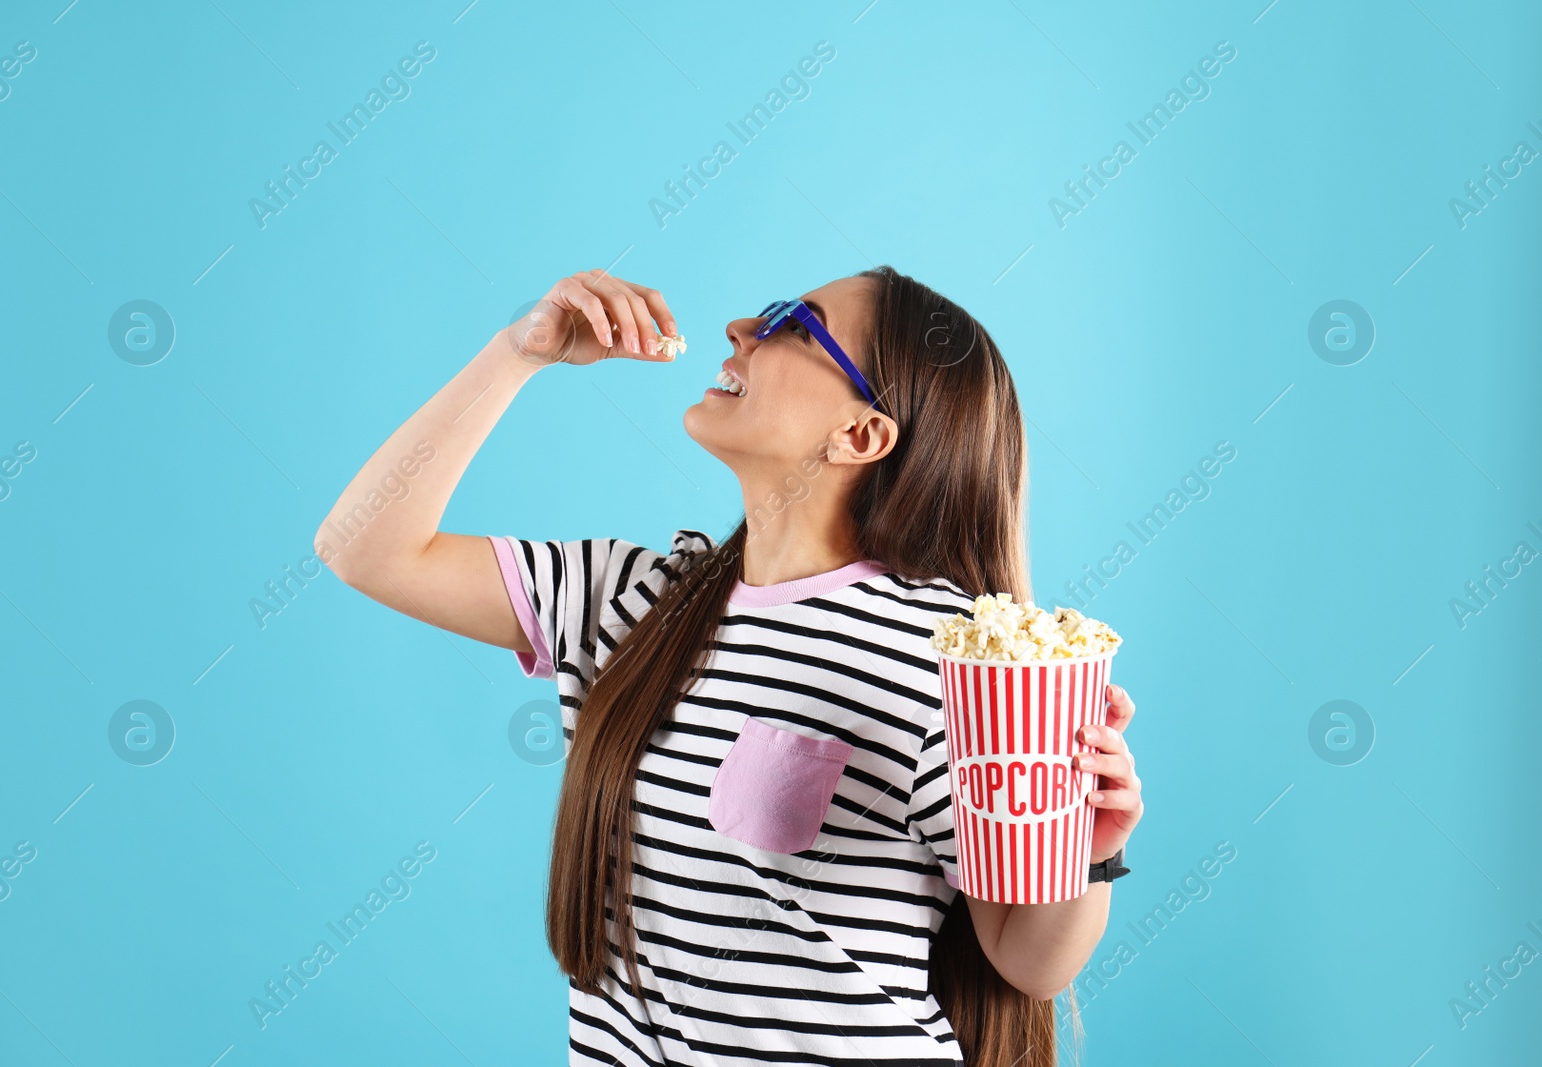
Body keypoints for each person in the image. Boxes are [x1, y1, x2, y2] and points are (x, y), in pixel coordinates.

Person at [315, 266, 1144, 1066]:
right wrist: (518, 352)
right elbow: (364, 547)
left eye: (794, 324)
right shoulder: (628, 602)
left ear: (861, 434)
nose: (743, 329)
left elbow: (1029, 961)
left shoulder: (949, 659)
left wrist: (1092, 853)